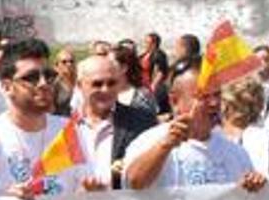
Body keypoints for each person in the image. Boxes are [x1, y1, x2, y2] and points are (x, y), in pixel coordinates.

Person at [0, 39, 97, 199]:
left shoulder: (71, 132)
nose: (43, 84)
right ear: (7, 87)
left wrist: (89, 194)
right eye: (31, 78)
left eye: (49, 75)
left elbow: (83, 190)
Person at [124, 56, 265, 191]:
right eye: (203, 96)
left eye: (217, 94)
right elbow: (134, 183)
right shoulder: (150, 140)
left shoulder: (235, 152)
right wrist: (165, 145)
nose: (214, 103)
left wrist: (252, 185)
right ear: (174, 101)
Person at [75, 55, 156, 189]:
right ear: (79, 85)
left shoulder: (142, 122)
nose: (105, 90)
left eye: (111, 83)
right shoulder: (61, 125)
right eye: (97, 84)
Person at [110, 43, 159, 115]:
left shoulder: (142, 96)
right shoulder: (103, 94)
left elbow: (151, 122)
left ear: (124, 68)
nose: (105, 67)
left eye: (110, 63)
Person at [53, 47, 76, 116]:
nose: (69, 64)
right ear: (56, 66)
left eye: (71, 61)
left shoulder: (81, 83)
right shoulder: (54, 85)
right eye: (64, 62)